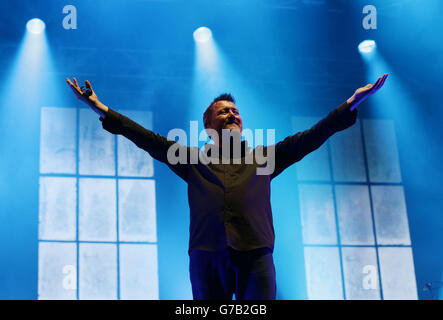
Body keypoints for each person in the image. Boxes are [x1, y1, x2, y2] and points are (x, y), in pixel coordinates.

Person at [66, 74, 388, 300]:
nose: (231, 114)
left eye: (235, 111)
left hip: (256, 255)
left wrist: (351, 103)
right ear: (209, 127)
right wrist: (101, 108)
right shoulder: (189, 159)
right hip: (207, 255)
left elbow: (313, 136)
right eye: (223, 112)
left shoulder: (264, 157)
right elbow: (146, 139)